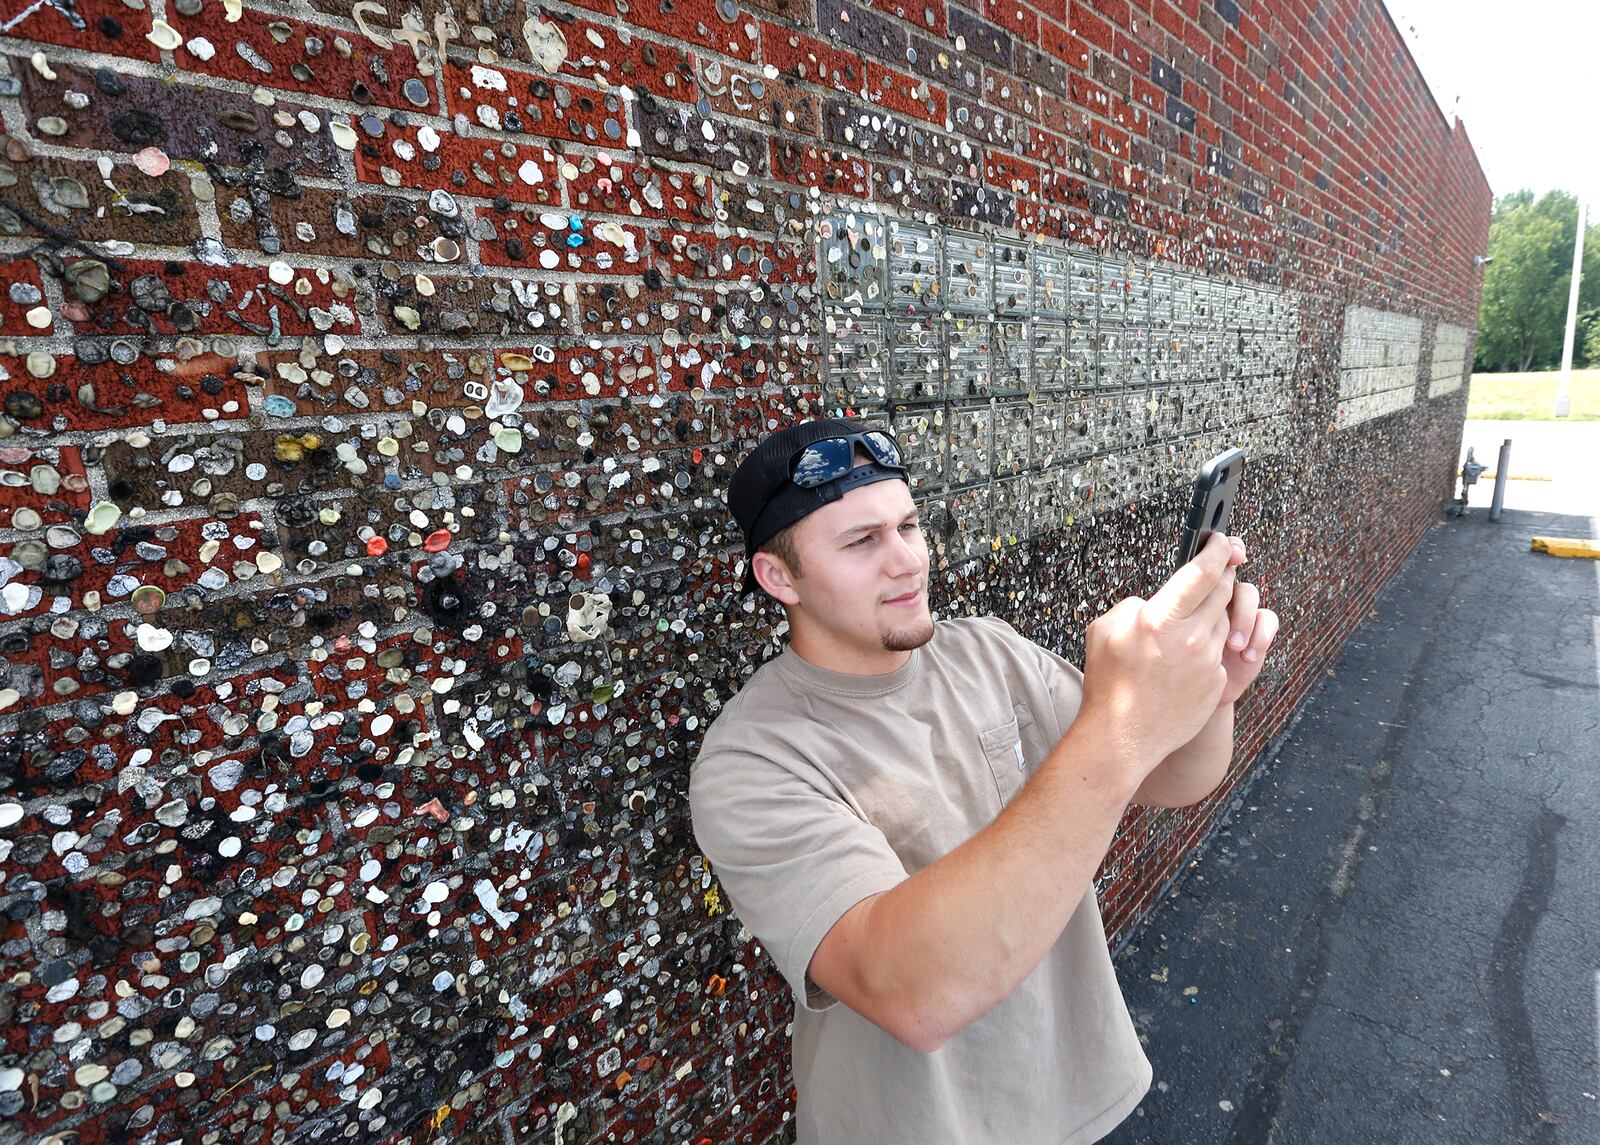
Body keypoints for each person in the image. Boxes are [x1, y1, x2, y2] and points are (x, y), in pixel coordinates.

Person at [688, 417, 1280, 1144]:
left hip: (1071, 1103)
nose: (906, 561)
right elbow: (910, 992)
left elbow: (1172, 774)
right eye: (861, 541)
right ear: (780, 577)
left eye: (908, 526)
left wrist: (1211, 688)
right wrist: (1118, 725)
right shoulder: (752, 759)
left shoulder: (989, 651)